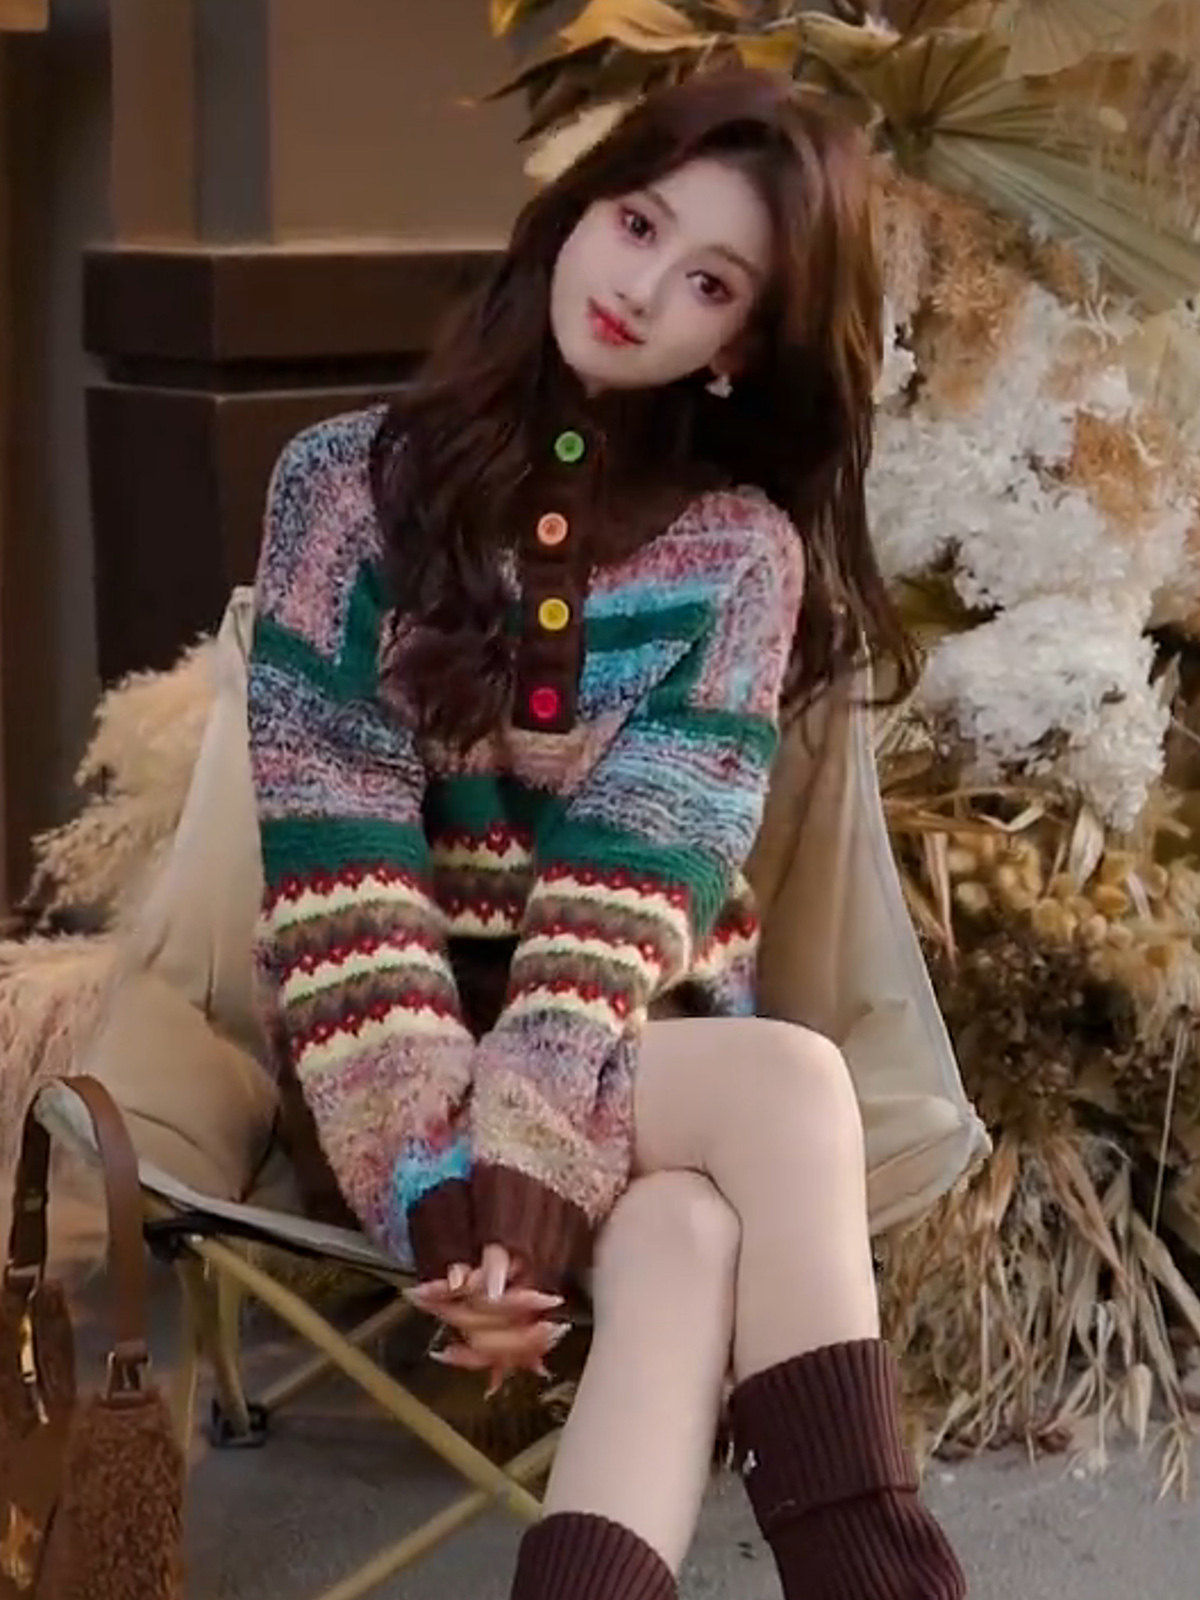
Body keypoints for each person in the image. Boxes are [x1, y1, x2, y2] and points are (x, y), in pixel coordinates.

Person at [246, 67, 968, 1600]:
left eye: (709, 280)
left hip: (624, 1040)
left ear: (740, 347)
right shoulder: (343, 489)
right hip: (386, 1066)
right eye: (639, 225)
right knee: (789, 1089)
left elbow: (631, 893)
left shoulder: (741, 555)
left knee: (689, 1237)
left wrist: (531, 1162)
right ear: (579, 211)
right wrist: (451, 1183)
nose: (644, 289)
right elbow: (335, 870)